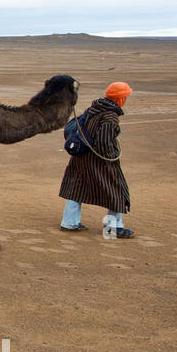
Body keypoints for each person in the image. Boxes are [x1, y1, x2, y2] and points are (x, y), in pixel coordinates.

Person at [59, 81, 134, 238]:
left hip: (80, 157)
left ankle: (69, 223)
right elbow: (104, 142)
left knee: (76, 188)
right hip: (97, 159)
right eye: (125, 96)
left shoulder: (94, 108)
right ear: (120, 99)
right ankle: (113, 228)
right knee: (117, 190)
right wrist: (112, 159)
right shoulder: (110, 116)